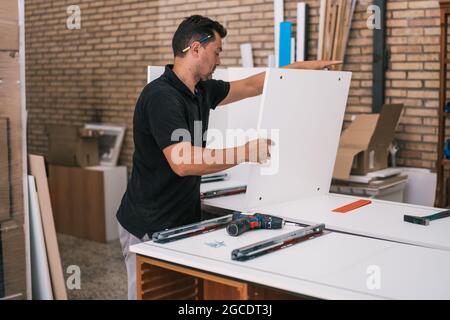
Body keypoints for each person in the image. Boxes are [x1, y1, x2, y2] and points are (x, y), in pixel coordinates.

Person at [116, 14, 341, 299]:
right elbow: (182, 162)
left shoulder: (201, 91)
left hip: (180, 220)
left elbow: (254, 85)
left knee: (182, 295)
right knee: (154, 294)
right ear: (195, 48)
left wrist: (304, 69)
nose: (220, 59)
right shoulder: (162, 97)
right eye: (217, 51)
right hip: (148, 223)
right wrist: (245, 152)